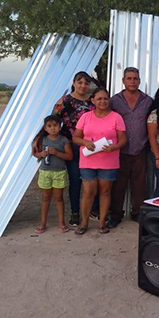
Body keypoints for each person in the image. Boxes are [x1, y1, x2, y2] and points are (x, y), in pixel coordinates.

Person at [72, 88, 127, 235]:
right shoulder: (85, 117)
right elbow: (75, 137)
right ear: (93, 100)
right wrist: (85, 142)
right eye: (99, 99)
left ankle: (102, 222)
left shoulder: (116, 117)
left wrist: (114, 147)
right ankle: (84, 223)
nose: (103, 101)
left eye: (105, 99)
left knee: (105, 191)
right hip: (88, 159)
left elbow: (123, 139)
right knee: (88, 192)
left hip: (109, 160)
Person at [108, 67, 153, 227]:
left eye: (135, 78)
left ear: (139, 81)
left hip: (140, 149)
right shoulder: (114, 101)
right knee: (118, 185)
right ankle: (115, 215)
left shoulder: (148, 101)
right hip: (119, 150)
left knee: (139, 184)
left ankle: (137, 213)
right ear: (123, 80)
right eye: (129, 78)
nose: (132, 81)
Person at [53, 71, 95, 226]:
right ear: (74, 83)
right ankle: (75, 212)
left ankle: (92, 209)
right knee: (75, 179)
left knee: (91, 179)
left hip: (90, 146)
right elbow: (53, 121)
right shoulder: (64, 101)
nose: (83, 86)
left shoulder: (93, 103)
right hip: (71, 146)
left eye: (86, 83)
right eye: (80, 82)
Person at [31, 115, 74, 234]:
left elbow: (70, 156)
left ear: (60, 127)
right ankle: (42, 223)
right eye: (49, 126)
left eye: (55, 125)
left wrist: (56, 153)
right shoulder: (42, 140)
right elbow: (35, 153)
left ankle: (62, 223)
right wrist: (41, 154)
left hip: (59, 173)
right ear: (45, 128)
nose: (53, 128)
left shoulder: (64, 140)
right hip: (45, 172)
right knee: (45, 198)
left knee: (59, 198)